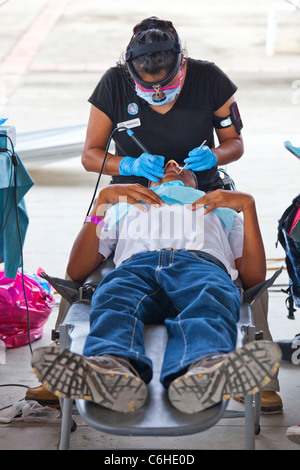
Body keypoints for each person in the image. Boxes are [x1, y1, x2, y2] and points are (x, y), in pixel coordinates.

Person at [31, 161, 281, 414]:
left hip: (200, 265)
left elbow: (254, 276)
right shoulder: (123, 208)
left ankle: (203, 369)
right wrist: (101, 203)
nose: (172, 164)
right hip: (136, 266)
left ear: (197, 185)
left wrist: (248, 207)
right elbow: (77, 270)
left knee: (209, 302)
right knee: (114, 299)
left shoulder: (220, 209)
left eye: (182, 167)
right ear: (147, 184)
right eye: (164, 166)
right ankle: (110, 368)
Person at [81, 16, 244, 193]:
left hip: (201, 192)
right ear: (130, 72)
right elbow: (90, 156)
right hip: (132, 195)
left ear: (181, 62)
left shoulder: (210, 78)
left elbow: (234, 142)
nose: (158, 95)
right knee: (96, 220)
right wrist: (129, 165)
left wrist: (214, 156)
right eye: (148, 88)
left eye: (167, 86)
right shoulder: (113, 83)